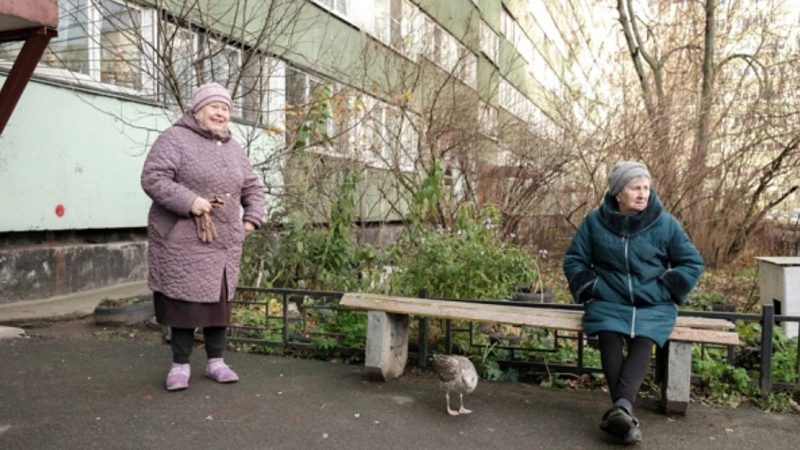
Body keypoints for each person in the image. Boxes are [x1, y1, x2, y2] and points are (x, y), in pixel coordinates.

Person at [562, 161, 703, 444]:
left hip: (653, 304)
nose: (643, 194)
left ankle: (621, 412)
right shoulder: (594, 222)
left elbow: (692, 263)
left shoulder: (664, 223)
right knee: (609, 334)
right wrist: (594, 286)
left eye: (646, 188)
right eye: (635, 188)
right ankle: (624, 411)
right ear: (618, 193)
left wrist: (664, 288)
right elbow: (574, 260)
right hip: (609, 299)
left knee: (644, 338)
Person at [141, 82, 264, 391]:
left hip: (222, 243)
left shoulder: (235, 149)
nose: (220, 113)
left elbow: (252, 187)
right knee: (184, 306)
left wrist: (252, 219)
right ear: (197, 110)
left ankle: (216, 363)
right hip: (183, 240)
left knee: (218, 307)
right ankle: (179, 366)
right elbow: (153, 177)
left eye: (225, 108)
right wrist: (190, 202)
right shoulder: (175, 139)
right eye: (214, 107)